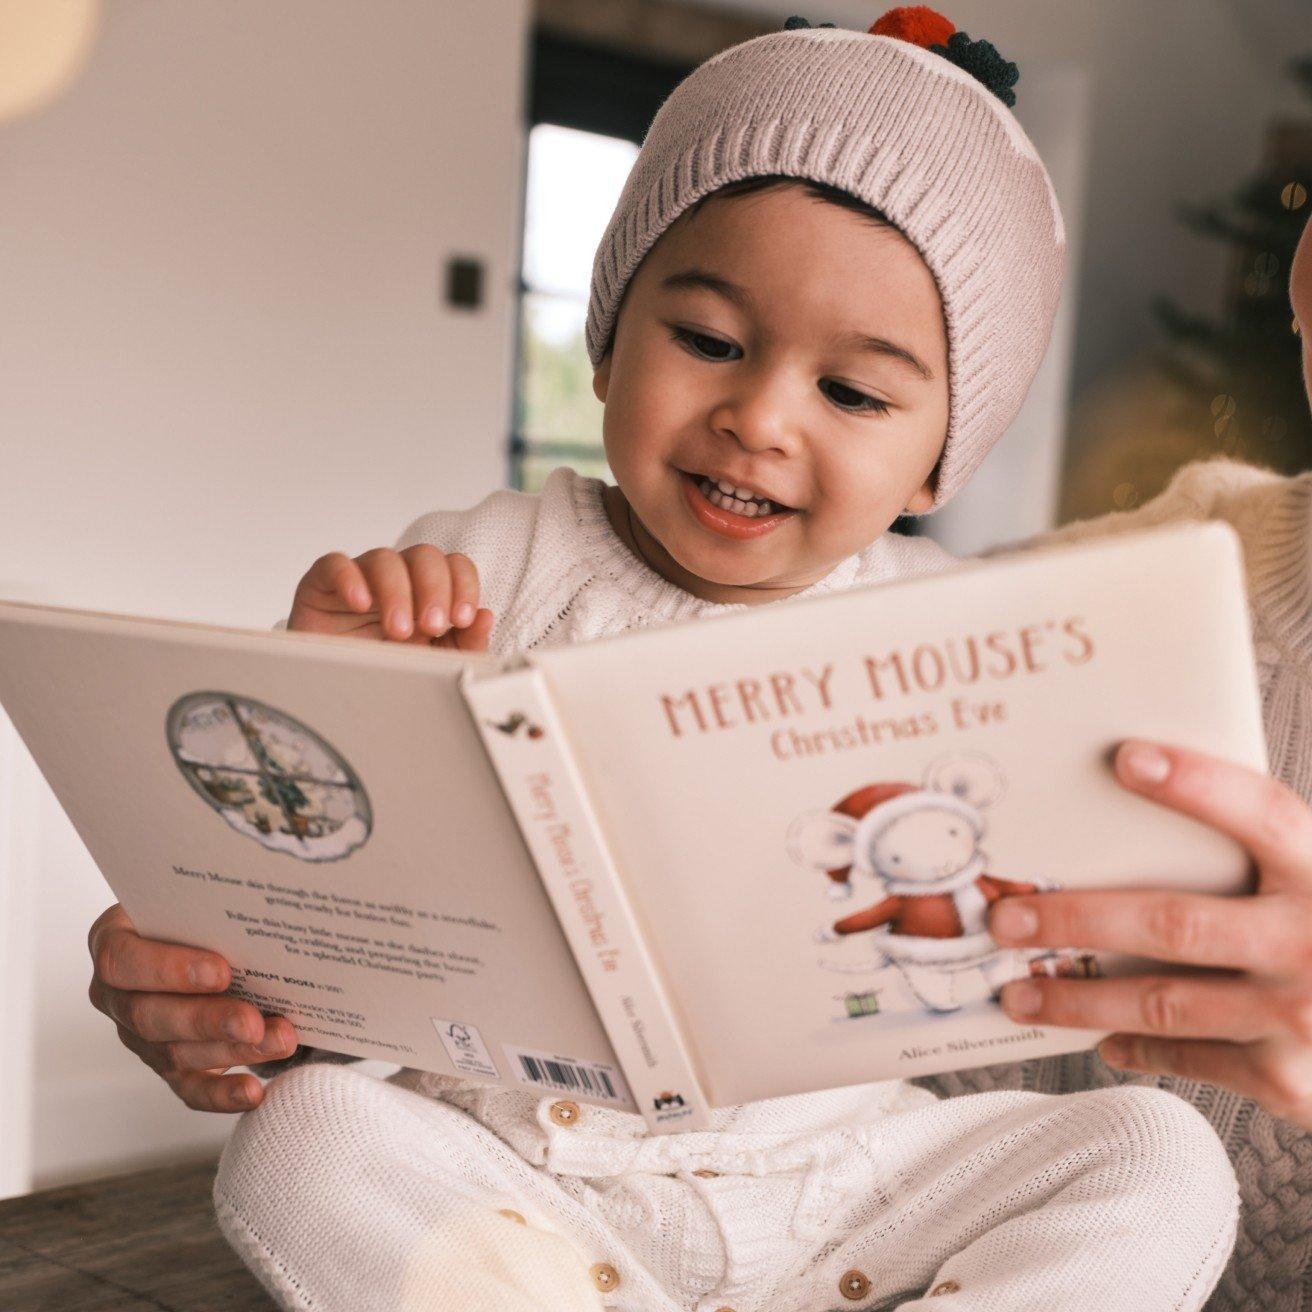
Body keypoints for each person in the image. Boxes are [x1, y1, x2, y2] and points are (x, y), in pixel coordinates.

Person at [82, 9, 1312, 1310]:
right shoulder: (481, 562)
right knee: (307, 1138)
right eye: (712, 341)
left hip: (855, 1180)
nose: (760, 419)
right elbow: (323, 908)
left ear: (938, 460)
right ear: (609, 334)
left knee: (1157, 1151)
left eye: (854, 395)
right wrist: (335, 699)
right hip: (525, 1170)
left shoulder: (964, 632)